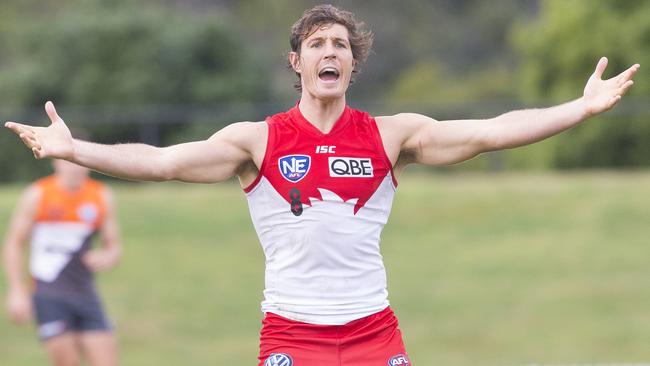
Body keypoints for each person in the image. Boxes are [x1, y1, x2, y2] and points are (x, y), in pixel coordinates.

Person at [4, 4, 639, 366]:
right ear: (297, 62)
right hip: (290, 334)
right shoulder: (257, 141)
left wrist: (576, 110)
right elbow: (164, 160)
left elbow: (492, 131)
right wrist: (74, 148)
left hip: (374, 333)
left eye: (340, 44)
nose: (328, 51)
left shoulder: (392, 135)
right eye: (316, 43)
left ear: (352, 64)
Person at [3, 158, 122, 366]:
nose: (74, 168)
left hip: (86, 293)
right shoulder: (38, 194)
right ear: (56, 163)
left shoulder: (100, 195)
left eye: (79, 161)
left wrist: (106, 256)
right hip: (49, 293)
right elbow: (14, 243)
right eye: (67, 161)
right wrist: (17, 291)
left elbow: (113, 246)